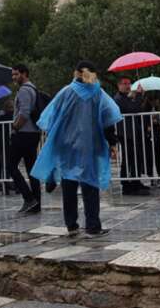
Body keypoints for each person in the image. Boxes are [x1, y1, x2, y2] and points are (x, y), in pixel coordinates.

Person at [31, 61, 122, 238]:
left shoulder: (66, 92)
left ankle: (71, 224)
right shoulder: (98, 93)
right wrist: (112, 142)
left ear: (76, 73)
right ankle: (93, 226)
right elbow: (108, 117)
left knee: (69, 184)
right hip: (90, 146)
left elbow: (51, 117)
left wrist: (56, 138)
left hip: (67, 146)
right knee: (90, 184)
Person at [9, 64, 42, 213]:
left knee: (10, 166)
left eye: (16, 74)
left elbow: (24, 113)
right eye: (13, 75)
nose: (14, 77)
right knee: (31, 169)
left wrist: (15, 127)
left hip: (23, 134)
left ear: (24, 74)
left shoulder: (24, 90)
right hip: (33, 133)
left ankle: (29, 199)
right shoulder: (34, 88)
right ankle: (36, 204)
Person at [113, 76, 150, 195]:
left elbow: (138, 109)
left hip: (134, 132)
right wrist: (138, 96)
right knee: (128, 159)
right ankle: (127, 184)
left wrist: (139, 97)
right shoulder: (118, 98)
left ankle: (136, 181)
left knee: (136, 158)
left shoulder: (128, 97)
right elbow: (131, 109)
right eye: (125, 83)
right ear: (119, 85)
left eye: (129, 83)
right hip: (126, 133)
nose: (128, 86)